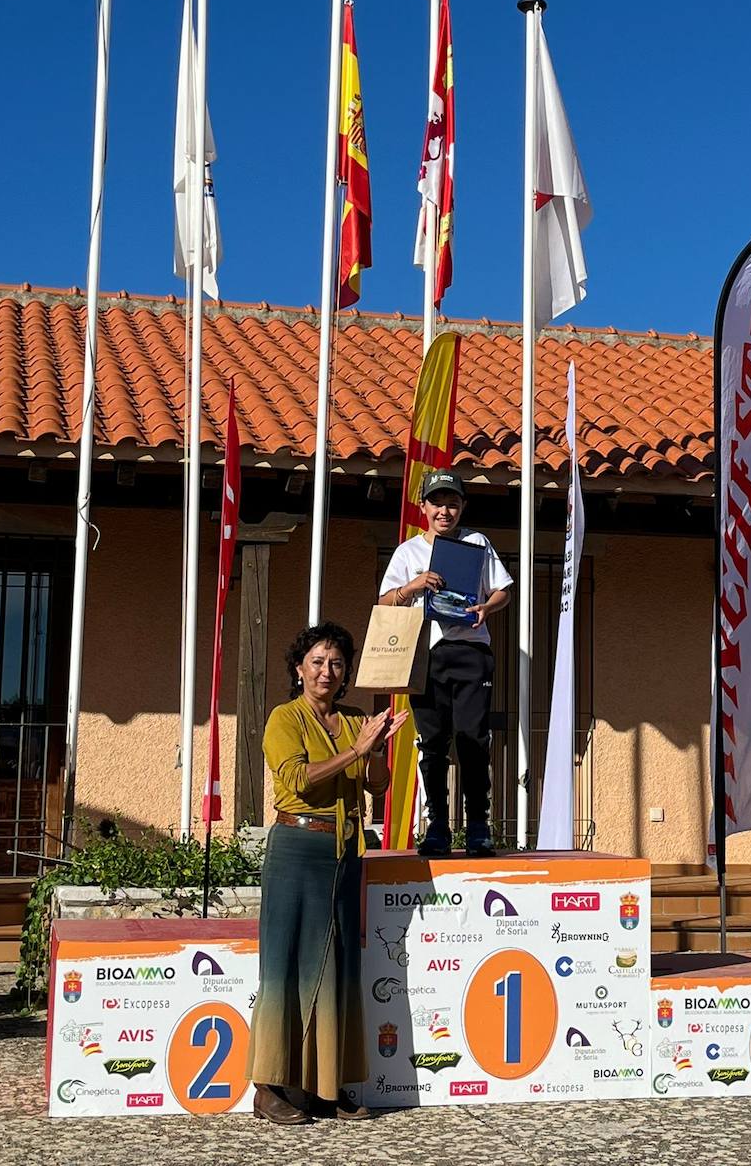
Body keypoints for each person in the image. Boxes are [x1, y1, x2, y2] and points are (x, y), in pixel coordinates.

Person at [246, 621, 406, 1126]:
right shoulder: (283, 718)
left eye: (336, 663)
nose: (326, 671)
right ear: (299, 669)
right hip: (296, 849)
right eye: (316, 661)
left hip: (343, 854)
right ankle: (268, 1086)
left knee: (338, 968)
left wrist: (376, 749)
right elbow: (294, 779)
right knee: (286, 965)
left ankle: (326, 1085)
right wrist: (356, 750)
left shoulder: (355, 719)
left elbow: (376, 787)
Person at [378, 469, 512, 857]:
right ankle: (437, 824)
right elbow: (384, 602)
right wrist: (413, 586)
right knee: (433, 744)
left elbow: (502, 590)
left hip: (471, 653)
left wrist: (487, 607)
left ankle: (478, 826)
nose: (445, 510)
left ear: (462, 507)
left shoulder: (477, 542)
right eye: (437, 503)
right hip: (425, 655)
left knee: (473, 741)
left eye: (452, 503)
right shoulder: (408, 552)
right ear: (423, 507)